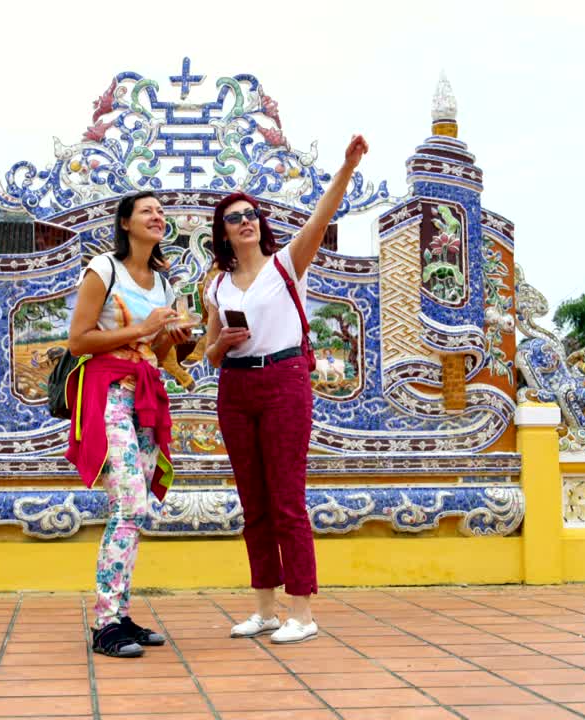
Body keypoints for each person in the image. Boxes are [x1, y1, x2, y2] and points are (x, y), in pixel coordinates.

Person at [204, 136, 369, 644]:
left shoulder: (286, 265)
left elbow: (321, 217)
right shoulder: (216, 284)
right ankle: (266, 609)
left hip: (283, 381)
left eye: (251, 213)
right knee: (252, 501)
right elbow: (208, 354)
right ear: (224, 233)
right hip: (235, 386)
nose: (246, 220)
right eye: (235, 217)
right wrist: (223, 342)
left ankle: (302, 611)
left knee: (287, 500)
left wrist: (345, 168)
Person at [65, 190, 194, 658]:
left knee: (137, 512)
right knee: (129, 505)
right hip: (107, 395)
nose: (157, 216)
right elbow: (78, 340)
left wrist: (169, 338)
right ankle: (104, 623)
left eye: (161, 212)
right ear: (125, 223)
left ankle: (119, 614)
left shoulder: (164, 283)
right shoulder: (104, 269)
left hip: (145, 397)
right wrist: (143, 329)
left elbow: (157, 355)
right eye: (147, 211)